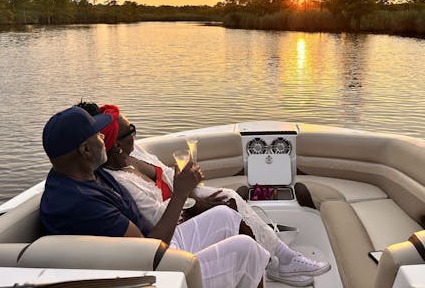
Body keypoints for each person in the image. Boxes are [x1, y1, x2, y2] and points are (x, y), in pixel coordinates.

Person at [77, 102, 331, 286]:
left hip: (181, 196)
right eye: (130, 130)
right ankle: (275, 261)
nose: (135, 132)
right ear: (117, 145)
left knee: (229, 197)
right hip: (174, 217)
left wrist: (192, 190)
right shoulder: (120, 182)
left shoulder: (136, 153)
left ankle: (279, 259)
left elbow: (166, 174)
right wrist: (193, 200)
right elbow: (158, 219)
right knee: (229, 210)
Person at [40, 106, 270, 288]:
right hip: (148, 274)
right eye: (98, 135)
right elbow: (146, 253)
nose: (104, 138)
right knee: (245, 250)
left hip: (148, 251)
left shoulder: (80, 174)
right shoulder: (83, 204)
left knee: (225, 215)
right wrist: (180, 194)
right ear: (85, 151)